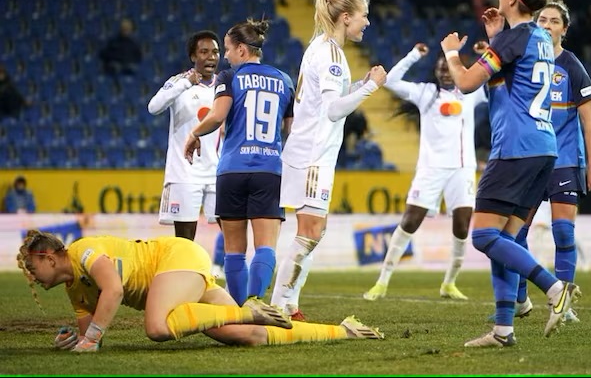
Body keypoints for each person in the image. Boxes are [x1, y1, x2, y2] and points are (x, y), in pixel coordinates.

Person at [440, 0, 581, 347]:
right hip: (544, 149)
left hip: (515, 148)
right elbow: (508, 83)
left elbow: (467, 83)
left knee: (484, 236)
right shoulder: (537, 37)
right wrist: (494, 39)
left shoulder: (517, 37)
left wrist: (452, 53)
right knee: (508, 238)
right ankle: (504, 330)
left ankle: (554, 288)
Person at [16, 230, 383, 352]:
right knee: (248, 336)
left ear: (48, 256)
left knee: (157, 326)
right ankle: (343, 330)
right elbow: (88, 339)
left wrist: (92, 337)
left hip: (174, 258)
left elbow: (112, 291)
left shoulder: (84, 251)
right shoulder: (73, 290)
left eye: (32, 268)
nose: (32, 277)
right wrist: (74, 340)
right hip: (177, 273)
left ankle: (247, 308)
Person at [270, 0, 387, 320]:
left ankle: (288, 302)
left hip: (310, 151)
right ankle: (279, 304)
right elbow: (335, 111)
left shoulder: (320, 47)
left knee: (313, 231)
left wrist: (357, 85)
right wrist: (371, 86)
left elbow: (327, 103)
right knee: (309, 233)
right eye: (364, 15)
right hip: (313, 154)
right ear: (346, 17)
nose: (367, 22)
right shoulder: (332, 55)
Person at [363, 43, 487, 302]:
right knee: (410, 221)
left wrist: (485, 54)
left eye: (448, 68)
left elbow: (496, 79)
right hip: (430, 169)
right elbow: (391, 81)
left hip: (462, 169)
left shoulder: (471, 93)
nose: (444, 72)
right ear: (435, 71)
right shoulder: (425, 93)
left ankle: (449, 283)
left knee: (463, 225)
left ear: (457, 70)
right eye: (440, 68)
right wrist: (412, 55)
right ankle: (382, 282)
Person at [183, 19, 294, 306]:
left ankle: (239, 311)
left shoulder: (229, 78)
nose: (226, 56)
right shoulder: (284, 80)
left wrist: (194, 134)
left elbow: (218, 116)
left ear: (242, 50)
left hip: (232, 169)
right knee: (265, 246)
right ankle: (257, 304)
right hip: (269, 171)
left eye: (229, 49)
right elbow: (290, 130)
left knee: (234, 250)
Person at [508, 0, 591, 323]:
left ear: (565, 29)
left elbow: (589, 121)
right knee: (515, 234)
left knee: (564, 233)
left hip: (564, 159)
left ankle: (562, 304)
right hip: (531, 160)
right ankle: (520, 297)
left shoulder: (572, 65)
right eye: (543, 20)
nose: (548, 25)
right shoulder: (526, 62)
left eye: (554, 21)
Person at [147, 30, 225, 274]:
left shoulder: (225, 85)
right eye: (204, 52)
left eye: (215, 51)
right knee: (184, 241)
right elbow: (154, 107)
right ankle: (181, 287)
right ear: (193, 56)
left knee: (232, 232)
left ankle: (236, 291)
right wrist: (184, 83)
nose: (211, 57)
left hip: (217, 172)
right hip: (185, 172)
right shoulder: (179, 81)